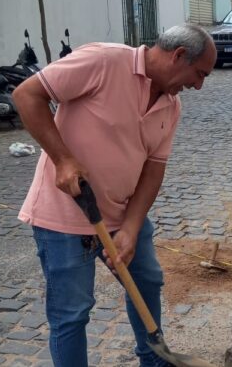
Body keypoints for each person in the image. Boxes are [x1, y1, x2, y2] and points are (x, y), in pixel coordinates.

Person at [12, 24, 217, 367]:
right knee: (72, 314)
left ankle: (153, 360)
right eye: (199, 74)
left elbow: (153, 169)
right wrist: (63, 159)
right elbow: (26, 95)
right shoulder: (103, 61)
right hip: (65, 217)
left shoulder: (172, 105)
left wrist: (132, 227)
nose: (198, 85)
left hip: (121, 214)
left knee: (148, 279)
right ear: (178, 56)